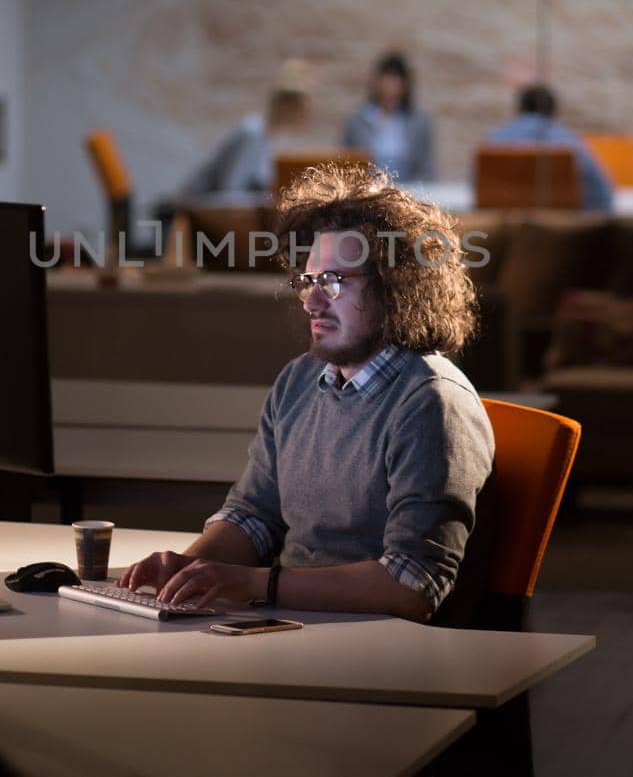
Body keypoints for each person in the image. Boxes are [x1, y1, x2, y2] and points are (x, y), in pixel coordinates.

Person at [119, 163, 495, 623]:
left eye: (334, 282)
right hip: (286, 621)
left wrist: (256, 583)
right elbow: (254, 516)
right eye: (308, 282)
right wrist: (190, 565)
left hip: (378, 649)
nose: (313, 302)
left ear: (398, 287)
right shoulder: (299, 380)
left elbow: (411, 586)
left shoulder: (432, 404)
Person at [171, 62, 311, 204]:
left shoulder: (267, 140)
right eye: (300, 108)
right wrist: (272, 201)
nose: (304, 115)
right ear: (285, 105)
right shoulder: (252, 133)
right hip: (191, 215)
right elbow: (231, 194)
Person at [486, 84, 614, 211]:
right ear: (553, 110)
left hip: (505, 226)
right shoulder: (571, 142)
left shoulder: (494, 140)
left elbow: (476, 184)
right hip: (563, 226)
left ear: (520, 108)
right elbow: (603, 194)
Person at [342, 51, 437, 181]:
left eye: (396, 80)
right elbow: (346, 162)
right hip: (367, 192)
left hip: (409, 192)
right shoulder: (358, 121)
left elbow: (426, 167)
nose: (392, 87)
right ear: (377, 82)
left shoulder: (418, 122)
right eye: (388, 79)